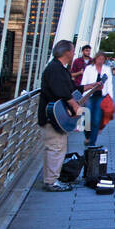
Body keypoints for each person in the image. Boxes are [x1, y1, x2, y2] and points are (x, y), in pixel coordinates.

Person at [39, 40, 99, 191]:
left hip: (57, 117)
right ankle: (51, 182)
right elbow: (61, 91)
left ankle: (52, 178)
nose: (74, 54)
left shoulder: (59, 68)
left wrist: (91, 86)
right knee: (55, 147)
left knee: (57, 147)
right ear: (66, 52)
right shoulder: (55, 69)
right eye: (72, 51)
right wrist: (74, 105)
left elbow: (71, 88)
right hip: (52, 117)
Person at [80, 51, 113, 147]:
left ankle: (92, 142)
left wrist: (110, 98)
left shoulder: (107, 69)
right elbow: (84, 82)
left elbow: (109, 84)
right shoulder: (89, 69)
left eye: (103, 59)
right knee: (87, 118)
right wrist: (84, 97)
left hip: (101, 96)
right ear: (95, 59)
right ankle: (87, 135)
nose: (101, 61)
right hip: (89, 96)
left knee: (96, 119)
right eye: (99, 59)